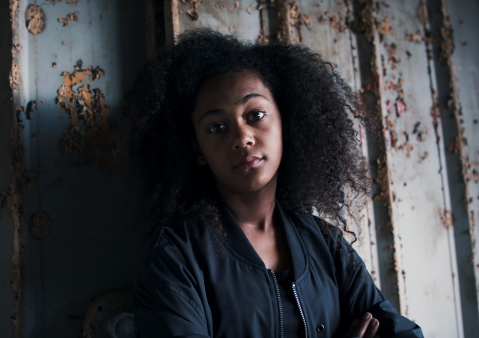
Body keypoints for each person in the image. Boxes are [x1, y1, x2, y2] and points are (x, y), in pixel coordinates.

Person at [120, 28, 423, 338]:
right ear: (197, 148)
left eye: (256, 114)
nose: (241, 137)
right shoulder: (175, 255)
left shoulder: (326, 244)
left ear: (286, 124)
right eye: (217, 127)